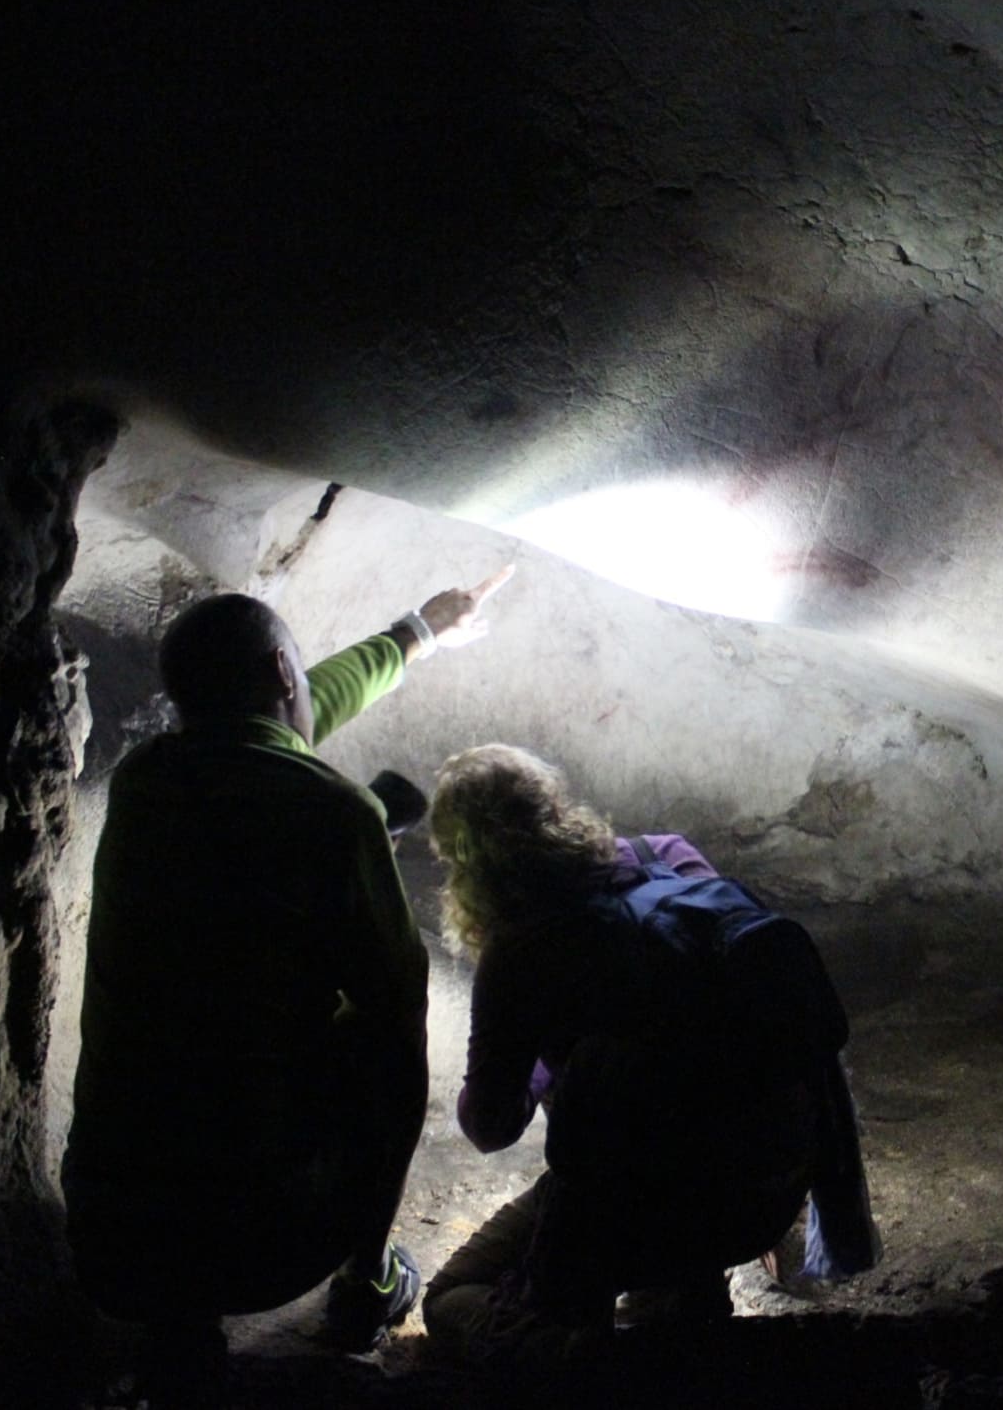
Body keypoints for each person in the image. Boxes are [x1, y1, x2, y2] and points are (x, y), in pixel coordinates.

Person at [61, 567, 512, 1388]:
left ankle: (175, 1331)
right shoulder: (336, 815)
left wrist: (417, 632)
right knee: (381, 1035)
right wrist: (369, 822)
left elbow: (268, 734)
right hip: (260, 1247)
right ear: (280, 676)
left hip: (108, 1233)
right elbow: (392, 1028)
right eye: (297, 675)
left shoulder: (146, 780)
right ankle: (366, 1280)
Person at [419, 743, 879, 1371]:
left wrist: (546, 1051)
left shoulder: (519, 952)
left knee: (451, 1299)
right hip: (772, 1184)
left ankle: (584, 1361)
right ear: (556, 804)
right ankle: (691, 1300)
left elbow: (490, 1127)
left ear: (463, 864)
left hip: (630, 1210)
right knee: (670, 1109)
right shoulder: (666, 855)